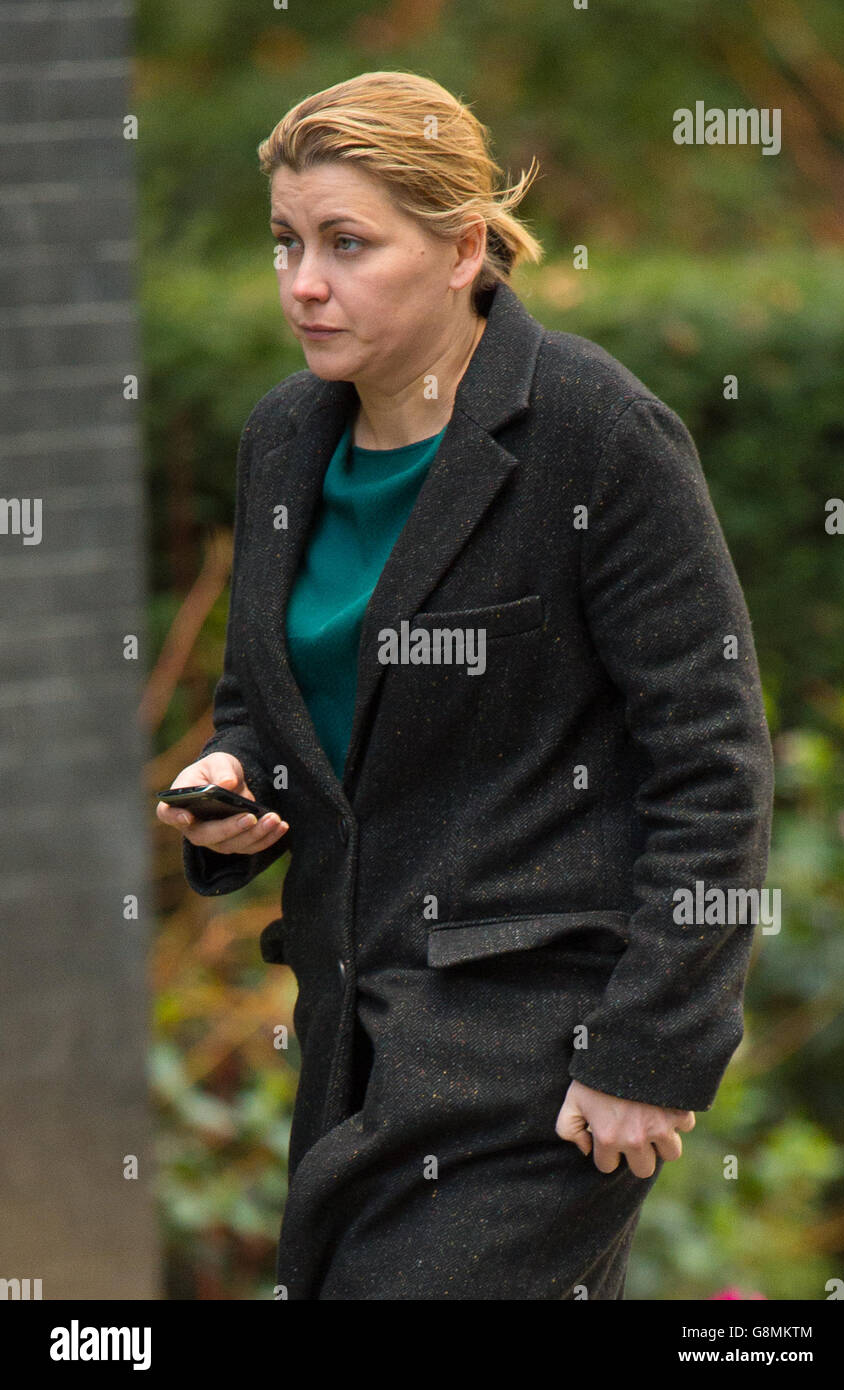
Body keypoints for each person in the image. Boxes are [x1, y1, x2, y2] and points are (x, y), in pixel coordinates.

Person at [157, 70, 774, 1300]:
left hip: (541, 1064)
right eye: (285, 242)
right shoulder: (285, 436)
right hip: (349, 1044)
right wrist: (233, 783)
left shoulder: (597, 434)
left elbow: (713, 763)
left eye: (346, 243)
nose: (302, 283)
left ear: (463, 249)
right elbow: (273, 711)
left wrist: (651, 1047)